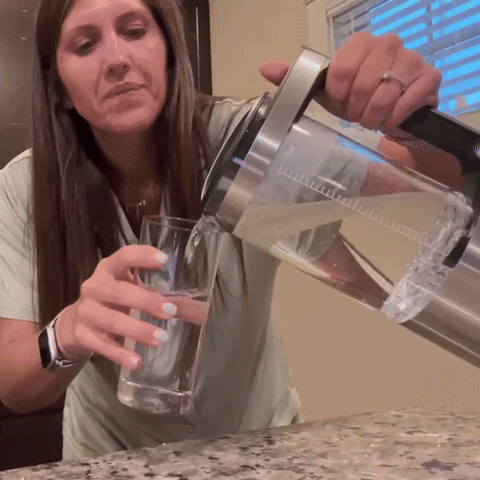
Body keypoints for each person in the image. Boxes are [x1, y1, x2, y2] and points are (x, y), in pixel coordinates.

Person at [0, 0, 462, 461]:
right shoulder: (25, 187)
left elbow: (436, 174)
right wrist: (68, 331)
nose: (117, 59)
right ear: (59, 88)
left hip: (257, 444)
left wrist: (406, 121)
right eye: (85, 45)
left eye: (135, 31)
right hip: (108, 453)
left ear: (170, 54)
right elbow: (13, 385)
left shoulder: (250, 145)